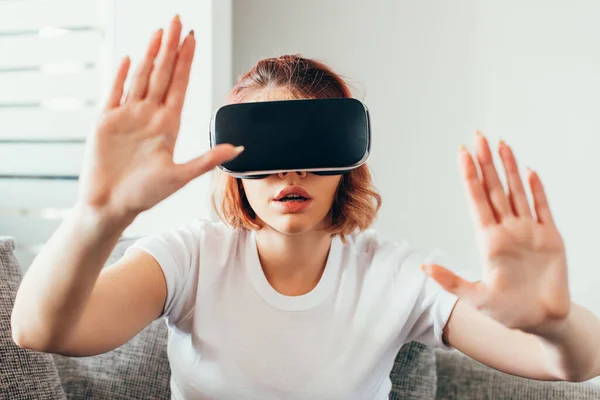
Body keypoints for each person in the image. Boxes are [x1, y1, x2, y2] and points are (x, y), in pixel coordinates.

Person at [11, 15, 600, 399]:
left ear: (348, 161)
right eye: (263, 152)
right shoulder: (189, 257)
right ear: (231, 166)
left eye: (313, 150)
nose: (288, 173)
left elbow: (574, 366)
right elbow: (41, 330)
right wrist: (98, 213)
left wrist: (553, 322)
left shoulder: (398, 277)